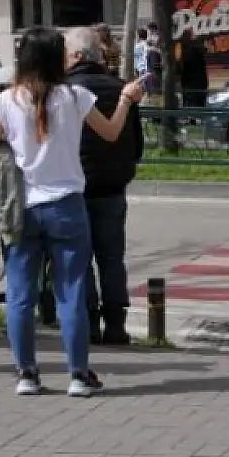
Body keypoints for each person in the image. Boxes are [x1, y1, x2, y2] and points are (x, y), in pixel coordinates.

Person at [0, 27, 145, 397]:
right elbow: (112, 133)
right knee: (71, 291)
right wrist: (128, 99)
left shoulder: (7, 101)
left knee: (20, 293)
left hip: (22, 209)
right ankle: (78, 374)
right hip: (67, 206)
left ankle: (26, 373)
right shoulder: (75, 96)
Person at [64, 26, 145, 345]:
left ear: (75, 56)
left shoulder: (65, 91)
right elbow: (136, 144)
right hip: (113, 188)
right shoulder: (121, 88)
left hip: (75, 187)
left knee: (78, 259)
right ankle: (116, 324)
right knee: (112, 258)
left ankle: (88, 323)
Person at [178, 31, 210, 109]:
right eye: (193, 35)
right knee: (197, 102)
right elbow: (204, 50)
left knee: (189, 102)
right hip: (197, 81)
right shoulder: (194, 47)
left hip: (187, 81)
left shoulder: (182, 48)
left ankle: (190, 118)